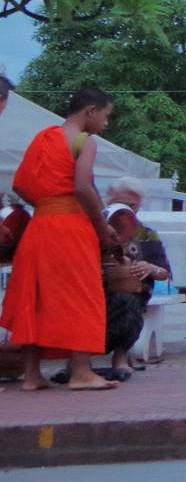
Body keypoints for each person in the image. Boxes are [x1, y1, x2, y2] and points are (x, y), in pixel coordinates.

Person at [6, 87, 122, 390]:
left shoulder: (44, 138)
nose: (106, 123)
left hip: (40, 225)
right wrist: (100, 227)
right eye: (106, 115)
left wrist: (47, 202)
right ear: (91, 110)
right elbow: (83, 188)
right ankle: (81, 372)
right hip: (71, 228)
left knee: (37, 296)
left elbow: (19, 184)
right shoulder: (85, 142)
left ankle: (32, 376)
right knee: (81, 295)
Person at [100, 183, 172, 378]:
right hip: (94, 289)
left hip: (130, 290)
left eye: (131, 205)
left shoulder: (146, 234)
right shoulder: (95, 230)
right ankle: (77, 363)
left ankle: (120, 358)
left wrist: (149, 267)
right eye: (119, 203)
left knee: (126, 301)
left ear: (138, 206)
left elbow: (164, 272)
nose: (125, 210)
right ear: (109, 203)